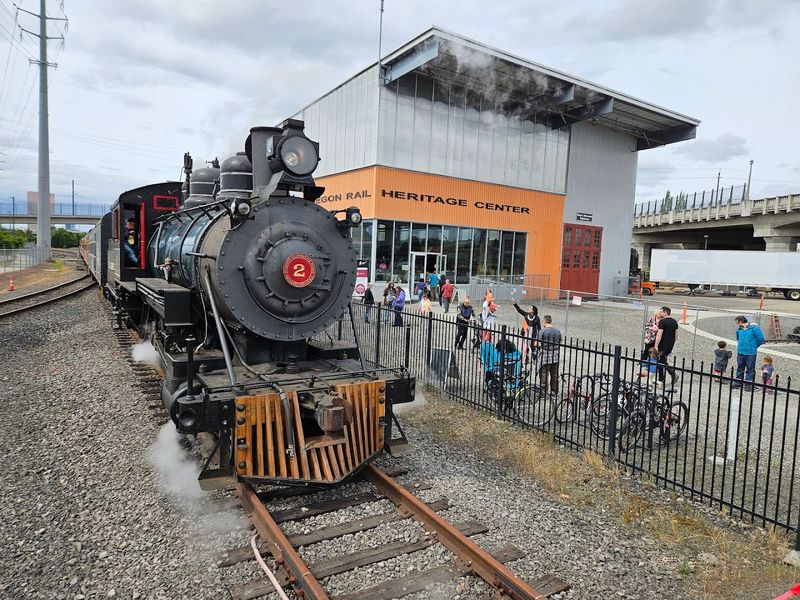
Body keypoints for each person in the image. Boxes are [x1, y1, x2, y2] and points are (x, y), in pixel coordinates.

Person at [732, 315, 764, 390]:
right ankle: (738, 382)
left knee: (750, 369)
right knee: (740, 368)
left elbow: (761, 339)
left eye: (737, 322)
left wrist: (754, 346)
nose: (737, 324)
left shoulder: (754, 329)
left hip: (750, 353)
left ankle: (748, 384)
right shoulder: (739, 330)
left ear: (740, 321)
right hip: (740, 352)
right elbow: (738, 337)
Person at [653, 306, 679, 389]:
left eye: (661, 312)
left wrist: (656, 346)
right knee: (662, 360)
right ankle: (662, 379)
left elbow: (659, 334)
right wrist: (672, 343)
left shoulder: (662, 322)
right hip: (670, 345)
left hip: (662, 345)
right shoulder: (674, 322)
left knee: (660, 361)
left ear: (665, 312)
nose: (660, 313)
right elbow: (676, 335)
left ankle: (668, 376)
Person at [537, 315, 562, 396]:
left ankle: (543, 393)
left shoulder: (542, 331)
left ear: (544, 322)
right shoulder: (557, 331)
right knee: (554, 374)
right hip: (555, 355)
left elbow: (536, 343)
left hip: (545, 355)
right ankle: (554, 391)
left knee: (544, 374)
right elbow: (560, 341)